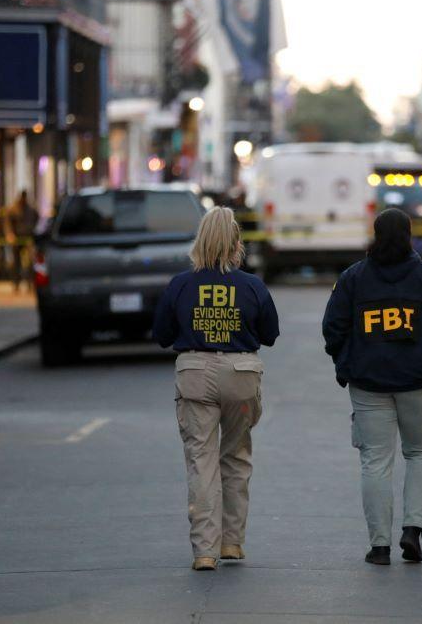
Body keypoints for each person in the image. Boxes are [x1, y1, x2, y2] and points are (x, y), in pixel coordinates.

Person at [322, 208, 422, 566]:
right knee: (420, 454)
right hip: (420, 383)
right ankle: (413, 530)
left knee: (375, 461)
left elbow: (333, 328)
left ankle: (380, 545)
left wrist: (348, 362)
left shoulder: (354, 279)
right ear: (409, 236)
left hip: (368, 383)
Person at [153, 207, 280, 571]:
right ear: (237, 244)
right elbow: (269, 334)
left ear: (200, 242)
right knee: (236, 457)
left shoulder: (181, 284)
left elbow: (161, 336)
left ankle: (204, 551)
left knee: (201, 460)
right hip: (240, 375)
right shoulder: (252, 286)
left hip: (195, 373)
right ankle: (232, 544)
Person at [3, 190, 40, 291]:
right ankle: (16, 283)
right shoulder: (14, 210)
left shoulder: (31, 210)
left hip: (28, 238)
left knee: (30, 262)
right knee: (16, 262)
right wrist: (10, 234)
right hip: (17, 238)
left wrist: (33, 231)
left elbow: (37, 218)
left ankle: (29, 283)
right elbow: (8, 223)